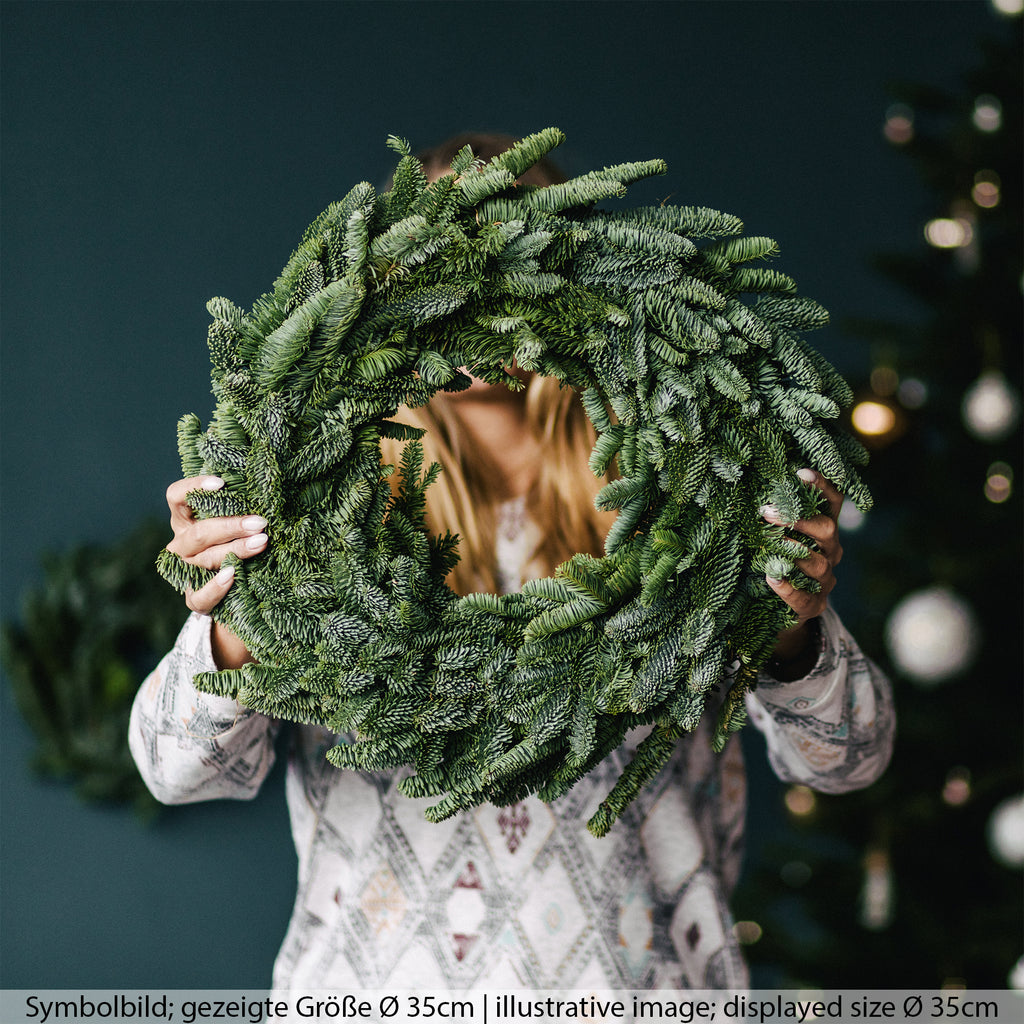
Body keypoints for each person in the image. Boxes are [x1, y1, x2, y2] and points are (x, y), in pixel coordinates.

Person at [130, 134, 895, 992]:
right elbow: (180, 771)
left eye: (511, 254)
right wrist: (242, 606)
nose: (481, 297)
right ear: (390, 282)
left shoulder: (691, 481)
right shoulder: (318, 501)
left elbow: (847, 758)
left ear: (579, 274)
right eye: (445, 260)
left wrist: (790, 628)